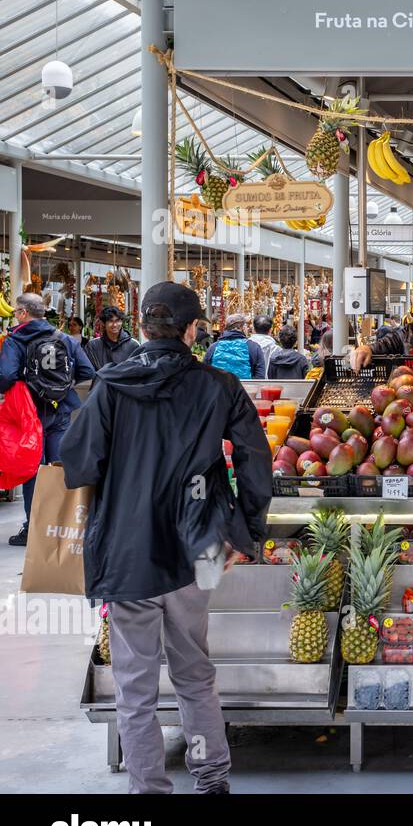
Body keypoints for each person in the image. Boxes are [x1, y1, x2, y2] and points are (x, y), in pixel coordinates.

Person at [62, 282, 271, 795]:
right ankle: (211, 778)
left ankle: (148, 790)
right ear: (192, 330)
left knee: (134, 688)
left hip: (126, 550)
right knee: (194, 674)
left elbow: (79, 462)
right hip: (197, 548)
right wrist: (245, 532)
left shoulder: (110, 387)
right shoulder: (219, 385)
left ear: (142, 326)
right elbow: (256, 460)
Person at [0, 293, 96, 546]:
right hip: (61, 411)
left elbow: (7, 375)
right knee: (59, 467)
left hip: (29, 414)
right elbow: (88, 371)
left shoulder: (16, 340)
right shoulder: (63, 338)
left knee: (34, 469)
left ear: (23, 313)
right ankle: (62, 525)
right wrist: (61, 388)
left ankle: (33, 527)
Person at [203, 312, 267, 379]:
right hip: (245, 388)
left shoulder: (213, 347)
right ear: (242, 328)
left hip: (218, 388)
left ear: (226, 328)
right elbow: (260, 376)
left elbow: (205, 373)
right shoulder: (254, 347)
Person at [84, 306, 140, 370]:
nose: (115, 325)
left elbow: (139, 371)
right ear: (103, 323)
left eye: (117, 321)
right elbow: (88, 371)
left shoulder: (133, 345)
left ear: (121, 322)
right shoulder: (93, 345)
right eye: (111, 321)